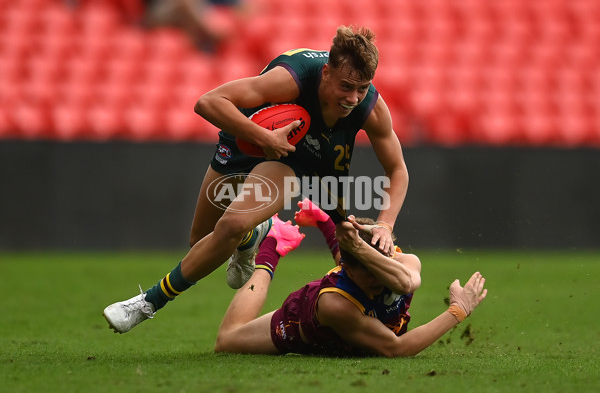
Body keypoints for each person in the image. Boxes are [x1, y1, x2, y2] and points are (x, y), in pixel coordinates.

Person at [103, 25, 410, 334]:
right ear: (326, 73)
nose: (354, 97)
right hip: (248, 134)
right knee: (202, 239)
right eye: (346, 86)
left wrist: (386, 224)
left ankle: (146, 303)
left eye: (363, 88)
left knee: (231, 225)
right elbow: (208, 102)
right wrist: (264, 137)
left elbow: (397, 169)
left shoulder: (371, 107)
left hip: (297, 157)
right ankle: (255, 235)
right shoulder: (292, 79)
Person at [215, 209, 488, 357]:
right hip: (304, 319)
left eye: (381, 267)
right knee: (226, 341)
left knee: (368, 277)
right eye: (369, 272)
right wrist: (457, 310)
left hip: (357, 279)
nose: (379, 279)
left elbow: (402, 280)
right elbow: (395, 347)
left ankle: (324, 220)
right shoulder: (336, 305)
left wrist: (335, 230)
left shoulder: (406, 263)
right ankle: (273, 243)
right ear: (346, 268)